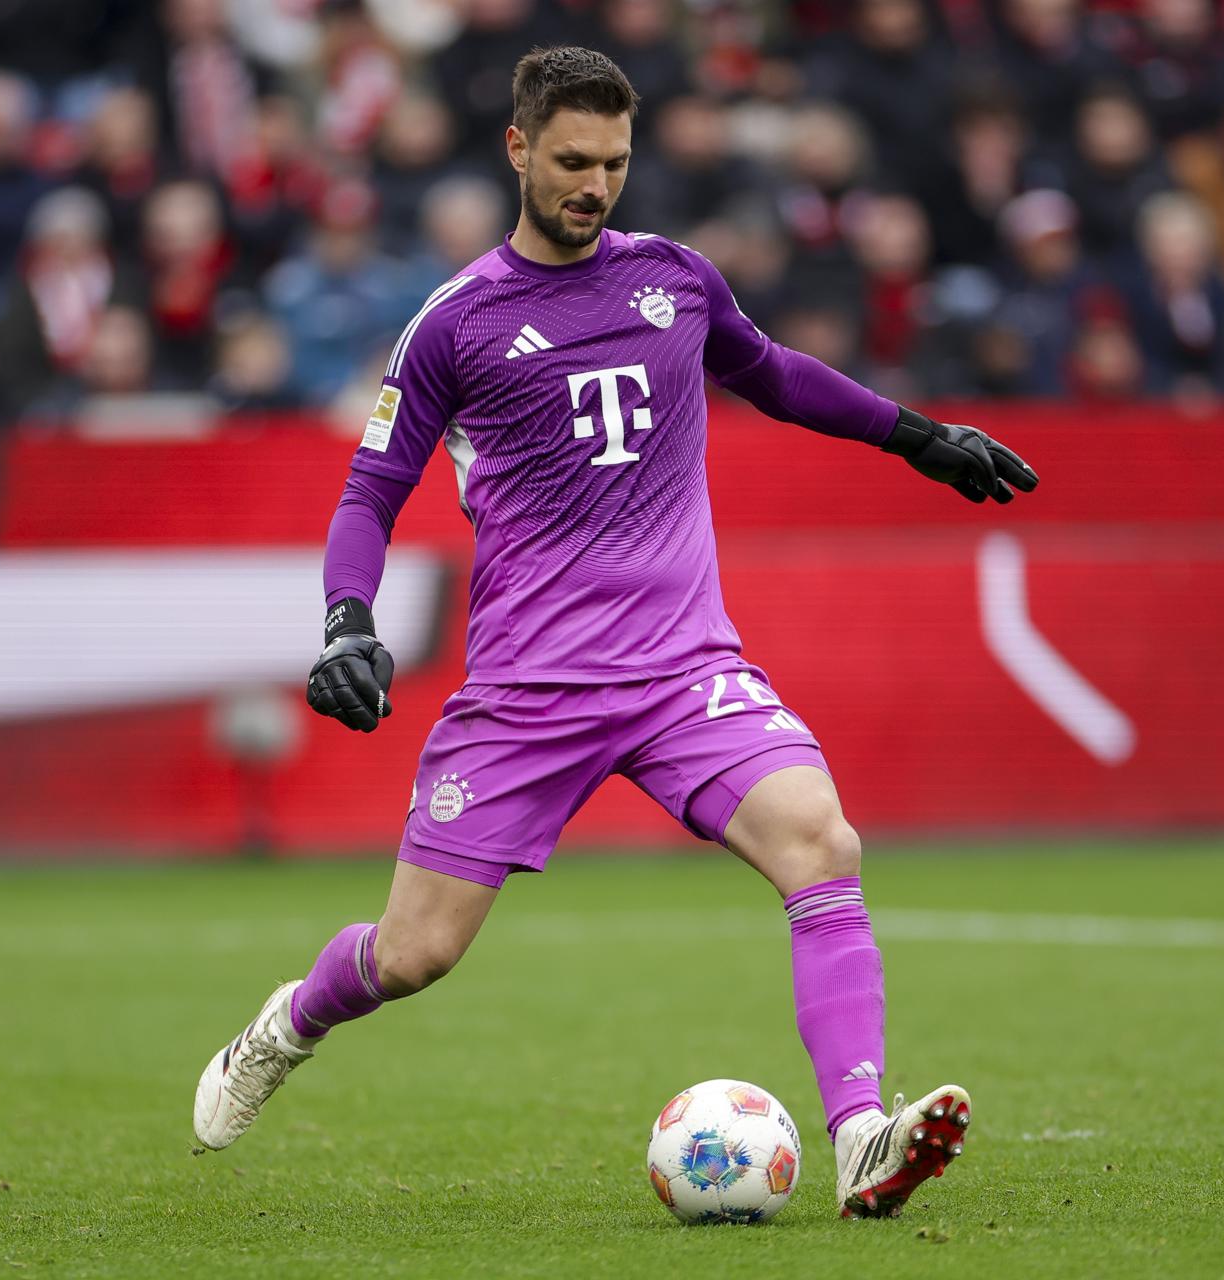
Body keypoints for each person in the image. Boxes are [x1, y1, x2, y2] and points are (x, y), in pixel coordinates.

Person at [191, 47, 1039, 1221]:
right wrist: (346, 622)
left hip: (685, 668)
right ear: (520, 151)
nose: (596, 185)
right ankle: (289, 1023)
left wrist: (916, 434)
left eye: (617, 163)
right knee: (415, 953)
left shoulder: (678, 281)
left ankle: (860, 1134)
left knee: (821, 841)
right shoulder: (455, 322)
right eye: (576, 161)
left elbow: (776, 374)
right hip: (530, 692)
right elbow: (370, 491)